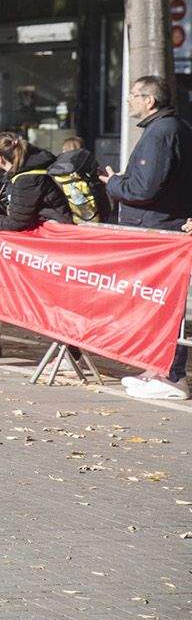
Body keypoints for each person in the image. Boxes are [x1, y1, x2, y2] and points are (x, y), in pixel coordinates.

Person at [101, 75, 192, 399]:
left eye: (132, 95)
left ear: (149, 100)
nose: (127, 101)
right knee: (159, 305)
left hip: (159, 231)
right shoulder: (173, 129)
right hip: (164, 227)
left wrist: (114, 184)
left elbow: (145, 188)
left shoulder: (161, 133)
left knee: (163, 304)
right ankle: (158, 369)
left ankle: (171, 375)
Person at [0, 132, 72, 360]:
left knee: (54, 303)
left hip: (54, 250)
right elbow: (15, 208)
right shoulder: (20, 174)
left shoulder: (28, 178)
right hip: (40, 250)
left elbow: (16, 222)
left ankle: (69, 355)